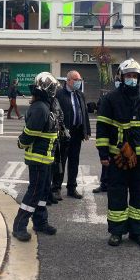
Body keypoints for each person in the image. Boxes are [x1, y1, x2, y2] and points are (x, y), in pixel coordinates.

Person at [96, 59, 140, 248]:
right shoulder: (110, 99)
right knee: (117, 193)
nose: (132, 79)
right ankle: (116, 233)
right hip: (118, 156)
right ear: (121, 77)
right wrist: (103, 154)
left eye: (134, 76)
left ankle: (137, 232)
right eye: (128, 76)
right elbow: (102, 128)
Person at [12, 72, 60, 242]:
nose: (55, 90)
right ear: (48, 88)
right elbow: (30, 133)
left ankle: (40, 222)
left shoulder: (45, 105)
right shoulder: (41, 107)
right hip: (38, 159)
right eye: (53, 87)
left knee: (43, 193)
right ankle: (19, 226)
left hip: (46, 159)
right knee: (34, 193)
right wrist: (21, 142)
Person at [51, 70, 91, 200]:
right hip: (63, 134)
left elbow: (84, 113)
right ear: (68, 80)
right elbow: (55, 114)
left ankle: (72, 188)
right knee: (61, 161)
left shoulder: (80, 95)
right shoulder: (59, 94)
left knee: (74, 161)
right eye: (76, 79)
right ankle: (56, 188)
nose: (79, 82)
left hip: (77, 133)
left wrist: (86, 131)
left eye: (80, 80)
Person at [93, 75, 122, 194]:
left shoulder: (128, 98)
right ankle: (104, 184)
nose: (118, 82)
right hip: (111, 135)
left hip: (124, 137)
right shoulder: (109, 97)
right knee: (107, 162)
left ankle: (118, 185)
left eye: (119, 80)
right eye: (117, 81)